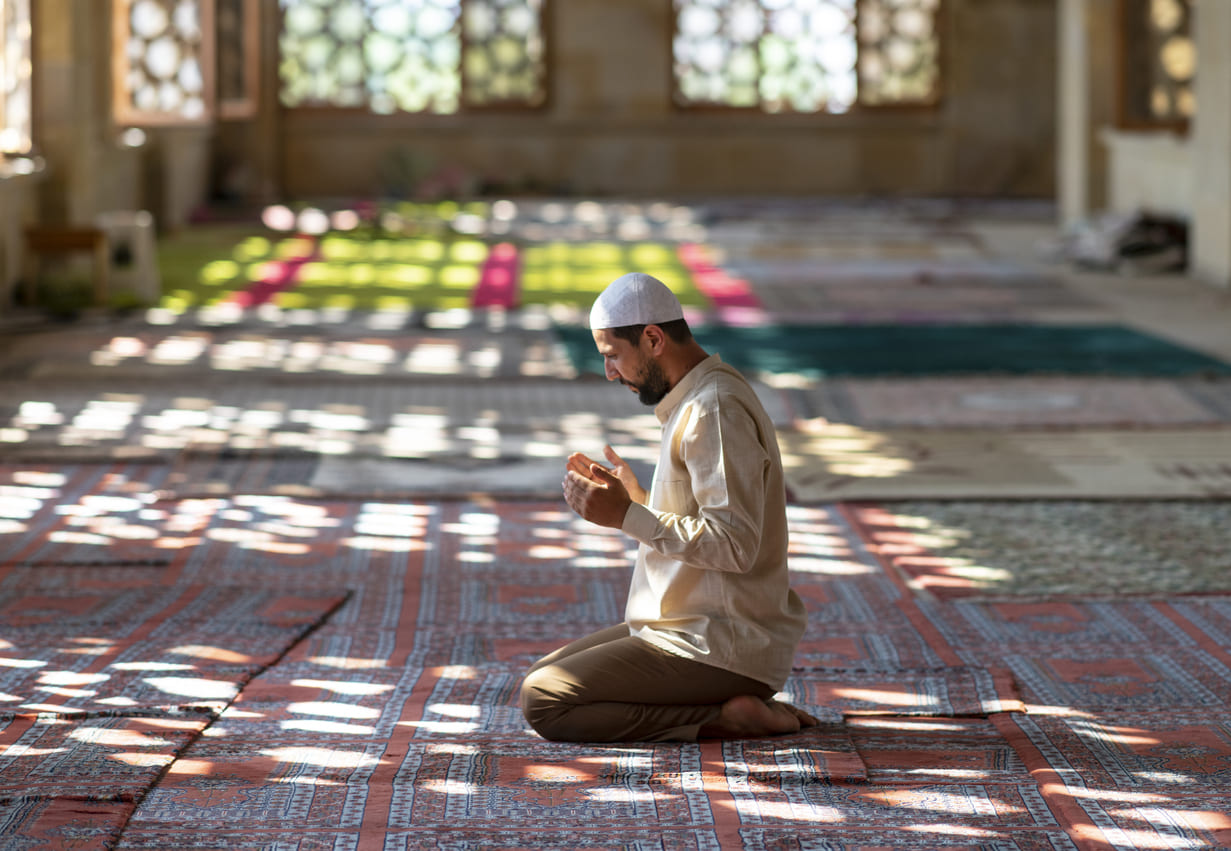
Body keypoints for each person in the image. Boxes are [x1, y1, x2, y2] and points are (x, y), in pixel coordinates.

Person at [520, 272, 816, 743]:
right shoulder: (697, 398)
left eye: (613, 356)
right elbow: (705, 521)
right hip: (696, 625)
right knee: (546, 672)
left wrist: (625, 516)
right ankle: (731, 705)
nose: (610, 373)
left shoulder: (714, 410)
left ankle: (725, 718)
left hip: (723, 642)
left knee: (545, 699)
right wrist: (636, 500)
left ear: (653, 338)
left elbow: (735, 545)